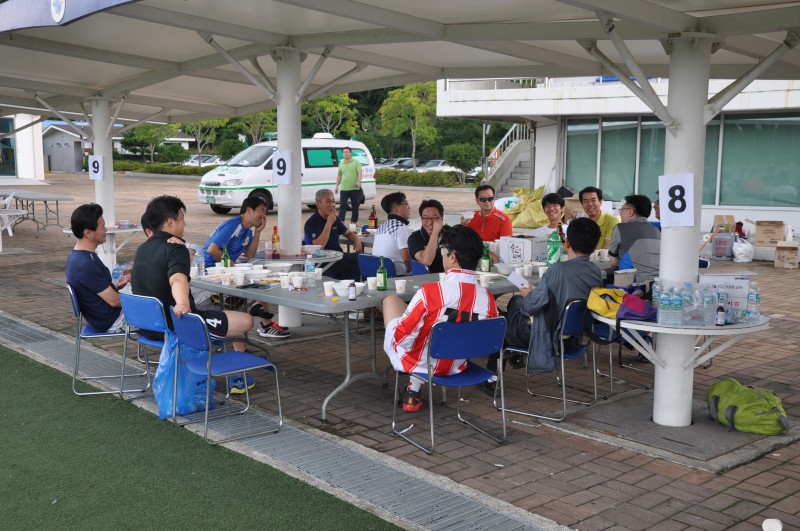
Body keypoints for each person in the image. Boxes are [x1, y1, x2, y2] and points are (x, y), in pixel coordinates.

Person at [382, 225, 498, 412]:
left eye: (443, 252)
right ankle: (413, 390)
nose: (442, 256)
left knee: (391, 303)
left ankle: (413, 389)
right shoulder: (487, 298)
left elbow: (402, 339)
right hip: (459, 364)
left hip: (422, 365)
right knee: (431, 328)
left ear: (452, 257)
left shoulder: (431, 292)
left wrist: (396, 326)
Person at [131, 195, 254, 353]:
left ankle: (215, 353)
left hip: (149, 327)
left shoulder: (142, 248)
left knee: (226, 317)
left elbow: (176, 264)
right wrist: (183, 303)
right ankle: (217, 357)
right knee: (246, 321)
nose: (184, 224)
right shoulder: (175, 248)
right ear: (170, 222)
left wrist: (184, 249)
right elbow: (177, 278)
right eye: (182, 218)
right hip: (178, 324)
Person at [499, 217, 602, 379]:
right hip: (575, 336)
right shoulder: (595, 271)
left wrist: (529, 294)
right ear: (595, 247)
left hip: (548, 336)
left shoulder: (557, 270)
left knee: (509, 310)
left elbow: (530, 307)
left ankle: (495, 375)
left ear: (566, 243)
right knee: (514, 306)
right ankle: (511, 357)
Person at [196, 196, 289, 339]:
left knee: (260, 277)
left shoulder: (247, 231)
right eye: (262, 210)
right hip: (211, 270)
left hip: (227, 270)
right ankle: (262, 318)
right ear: (249, 210)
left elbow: (250, 254)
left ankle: (261, 317)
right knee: (254, 281)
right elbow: (212, 250)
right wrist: (235, 268)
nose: (264, 215)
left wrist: (258, 232)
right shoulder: (233, 225)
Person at [65, 204, 129, 333]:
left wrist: (116, 287)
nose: (106, 230)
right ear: (88, 233)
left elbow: (94, 290)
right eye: (102, 227)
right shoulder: (86, 264)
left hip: (105, 316)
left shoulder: (77, 256)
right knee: (160, 307)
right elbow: (114, 301)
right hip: (113, 320)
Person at [304, 188, 363, 281]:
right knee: (352, 268)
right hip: (323, 261)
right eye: (328, 201)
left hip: (338, 255)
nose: (332, 205)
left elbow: (348, 233)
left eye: (333, 201)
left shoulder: (334, 219)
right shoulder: (311, 223)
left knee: (363, 258)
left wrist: (356, 239)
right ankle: (355, 285)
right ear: (318, 204)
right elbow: (318, 247)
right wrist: (328, 223)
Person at [609, 194, 661, 282]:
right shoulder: (656, 230)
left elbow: (613, 262)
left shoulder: (620, 228)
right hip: (658, 284)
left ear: (630, 212)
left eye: (622, 210)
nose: (620, 213)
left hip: (633, 286)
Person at [371, 191, 412, 275]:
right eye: (406, 204)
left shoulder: (381, 227)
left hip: (378, 273)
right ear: (396, 209)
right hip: (398, 275)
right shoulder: (401, 227)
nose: (409, 207)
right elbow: (406, 258)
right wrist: (411, 270)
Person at [407, 199, 447, 273]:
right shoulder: (414, 238)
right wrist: (435, 232)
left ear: (441, 218)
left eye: (434, 218)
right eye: (425, 218)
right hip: (425, 278)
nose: (430, 222)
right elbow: (426, 261)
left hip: (449, 277)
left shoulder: (449, 234)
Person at [579, 186, 619, 250]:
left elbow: (608, 246)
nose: (590, 204)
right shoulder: (582, 223)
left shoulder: (612, 220)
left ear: (600, 202)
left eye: (593, 200)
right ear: (582, 204)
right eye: (586, 201)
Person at [334, 146, 362, 224]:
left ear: (350, 153)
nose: (346, 153)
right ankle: (341, 221)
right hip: (344, 188)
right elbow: (339, 175)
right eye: (344, 152)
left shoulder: (356, 162)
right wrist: (337, 186)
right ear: (342, 154)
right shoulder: (341, 163)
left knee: (355, 206)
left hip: (354, 188)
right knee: (342, 205)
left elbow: (359, 172)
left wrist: (359, 181)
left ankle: (354, 222)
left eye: (348, 152)